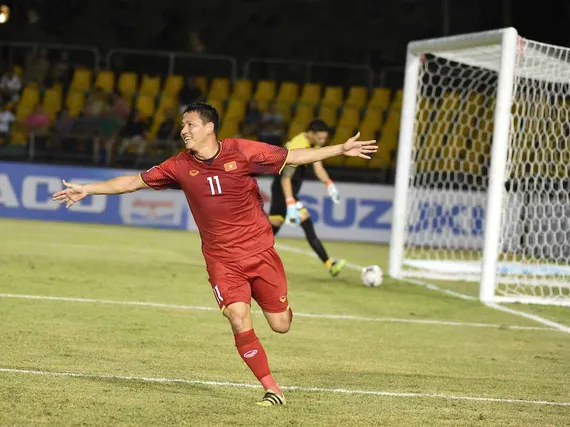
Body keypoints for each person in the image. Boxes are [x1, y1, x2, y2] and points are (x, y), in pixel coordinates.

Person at [52, 102, 376, 406]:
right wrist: (88, 189)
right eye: (182, 125)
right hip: (222, 260)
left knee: (280, 325)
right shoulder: (178, 166)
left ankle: (283, 309)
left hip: (260, 252)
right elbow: (132, 182)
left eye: (189, 124)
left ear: (209, 128)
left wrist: (340, 149)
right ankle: (271, 387)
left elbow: (293, 157)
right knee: (237, 316)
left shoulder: (243, 151)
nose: (183, 130)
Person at [269, 119, 346, 277]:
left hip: (285, 190)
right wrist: (290, 203)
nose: (322, 142)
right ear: (311, 134)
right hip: (283, 189)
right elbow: (285, 178)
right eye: (320, 138)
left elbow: (318, 168)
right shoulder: (298, 145)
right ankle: (330, 263)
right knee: (307, 222)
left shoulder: (313, 144)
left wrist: (329, 184)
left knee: (270, 231)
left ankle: (237, 254)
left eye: (324, 139)